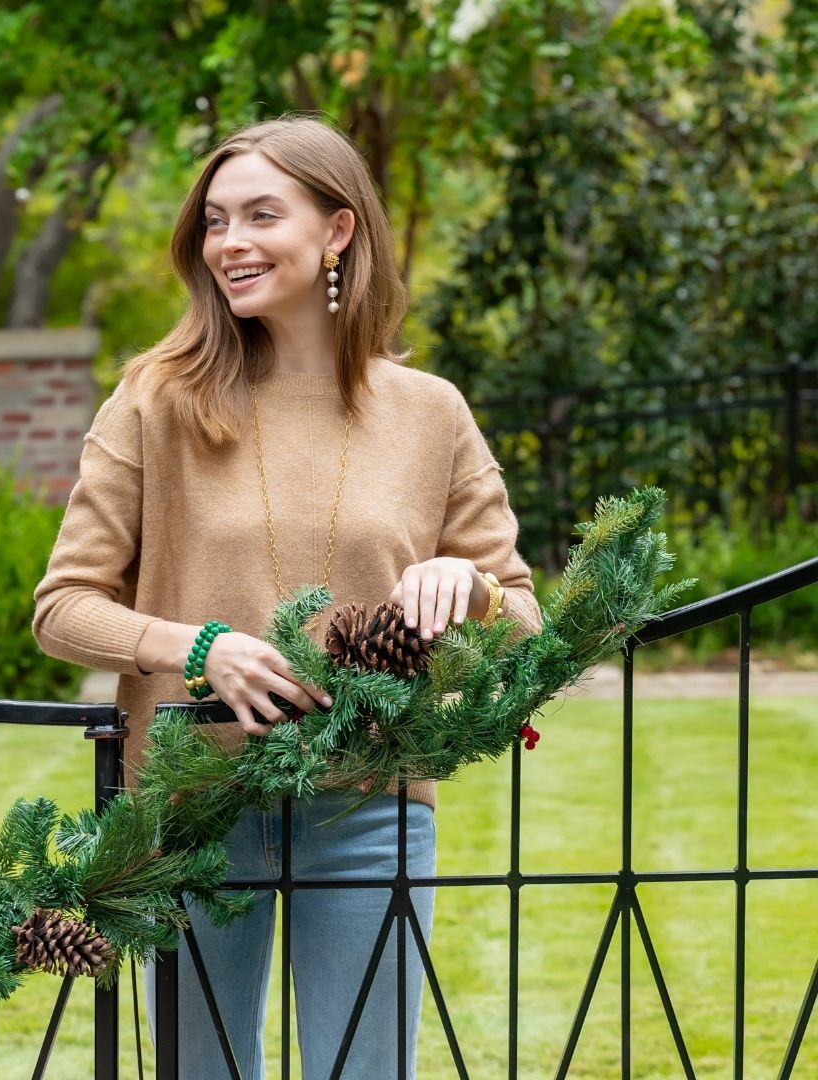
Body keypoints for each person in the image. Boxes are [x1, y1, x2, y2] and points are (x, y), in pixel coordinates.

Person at [32, 115, 541, 1079]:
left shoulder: (430, 412)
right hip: (191, 806)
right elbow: (63, 605)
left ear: (338, 230)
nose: (231, 243)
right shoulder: (154, 400)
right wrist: (196, 647)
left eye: (262, 215)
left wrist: (465, 585)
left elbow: (522, 617)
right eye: (217, 221)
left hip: (370, 805)